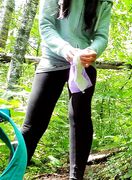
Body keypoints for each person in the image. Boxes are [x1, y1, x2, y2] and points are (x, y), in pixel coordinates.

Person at [20, 0, 113, 179]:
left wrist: (93, 50)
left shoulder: (103, 3)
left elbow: (102, 35)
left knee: (80, 117)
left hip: (83, 64)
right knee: (33, 124)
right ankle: (12, 174)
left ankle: (75, 177)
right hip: (52, 60)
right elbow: (46, 24)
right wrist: (65, 49)